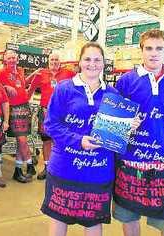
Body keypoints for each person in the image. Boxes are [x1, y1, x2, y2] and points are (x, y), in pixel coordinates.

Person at [41, 42, 118, 236]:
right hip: (65, 168)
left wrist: (127, 126)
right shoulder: (64, 89)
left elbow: (115, 137)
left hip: (98, 170)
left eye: (97, 60)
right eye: (87, 59)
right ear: (80, 62)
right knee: (59, 218)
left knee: (93, 221)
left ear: (103, 64)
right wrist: (78, 140)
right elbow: (50, 124)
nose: (92, 64)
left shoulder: (113, 94)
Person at [112, 29, 164, 236]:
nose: (154, 53)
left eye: (159, 48)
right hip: (130, 164)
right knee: (129, 217)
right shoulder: (125, 82)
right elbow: (111, 126)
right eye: (149, 48)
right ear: (142, 50)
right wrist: (123, 125)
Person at [27, 53, 75, 180]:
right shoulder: (41, 74)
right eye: (52, 60)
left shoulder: (69, 74)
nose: (54, 62)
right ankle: (47, 167)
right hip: (45, 111)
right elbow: (31, 89)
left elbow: (79, 88)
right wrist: (24, 104)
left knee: (60, 139)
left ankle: (61, 166)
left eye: (56, 60)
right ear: (48, 61)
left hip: (63, 112)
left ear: (60, 62)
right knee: (46, 139)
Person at [0, 50, 35, 183]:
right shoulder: (1, 73)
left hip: (24, 107)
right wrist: (6, 86)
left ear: (17, 59)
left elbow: (22, 84)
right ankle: (30, 165)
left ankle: (18, 170)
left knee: (21, 141)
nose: (12, 60)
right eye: (9, 58)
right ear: (5, 60)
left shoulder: (19, 71)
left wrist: (33, 75)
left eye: (14, 58)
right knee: (22, 139)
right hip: (12, 109)